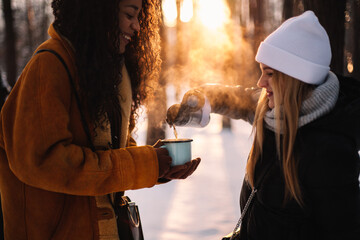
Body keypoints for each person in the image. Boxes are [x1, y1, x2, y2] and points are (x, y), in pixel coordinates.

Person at [0, 0, 201, 239]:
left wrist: (158, 166)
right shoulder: (48, 67)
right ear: (99, 11)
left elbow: (111, 151)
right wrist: (144, 163)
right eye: (129, 15)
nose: (137, 26)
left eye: (139, 17)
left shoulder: (106, 71)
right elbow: (45, 162)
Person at [167, 11, 360, 239]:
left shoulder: (328, 150)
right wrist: (201, 98)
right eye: (261, 72)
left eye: (269, 74)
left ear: (294, 79)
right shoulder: (274, 114)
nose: (260, 83)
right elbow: (238, 99)